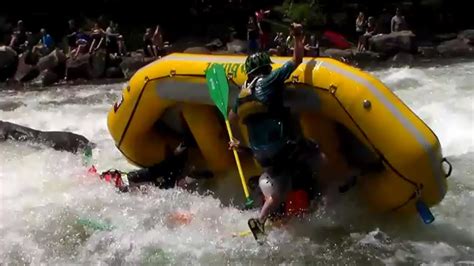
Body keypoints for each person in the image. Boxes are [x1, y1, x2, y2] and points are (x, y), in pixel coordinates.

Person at [228, 23, 319, 236]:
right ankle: (262, 220)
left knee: (277, 180)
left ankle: (272, 213)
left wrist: (240, 143)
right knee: (312, 150)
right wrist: (297, 35)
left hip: (259, 153)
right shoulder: (270, 80)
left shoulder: (243, 94)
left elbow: (232, 117)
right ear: (265, 68)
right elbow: (297, 59)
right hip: (280, 147)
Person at [97, 142, 213, 192]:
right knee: (164, 181)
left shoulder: (106, 185)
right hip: (131, 183)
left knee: (161, 177)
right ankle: (189, 175)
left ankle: (180, 155)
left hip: (129, 181)